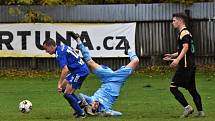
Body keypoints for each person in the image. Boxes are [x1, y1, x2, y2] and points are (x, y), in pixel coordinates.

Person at [69, 31, 139, 116]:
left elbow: (80, 95)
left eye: (91, 105)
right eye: (94, 107)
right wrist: (104, 113)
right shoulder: (104, 109)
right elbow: (119, 114)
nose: (94, 105)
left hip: (106, 77)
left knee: (90, 62)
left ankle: (78, 40)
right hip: (118, 79)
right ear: (96, 110)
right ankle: (129, 50)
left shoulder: (92, 99)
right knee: (136, 61)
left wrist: (85, 104)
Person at [163, 13, 205, 118]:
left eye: (174, 20)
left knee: (172, 87)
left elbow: (186, 48)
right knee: (192, 89)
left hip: (185, 66)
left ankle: (188, 108)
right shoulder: (186, 33)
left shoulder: (184, 33)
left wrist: (177, 60)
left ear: (180, 21)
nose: (172, 22)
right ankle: (200, 112)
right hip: (190, 65)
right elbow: (184, 49)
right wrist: (172, 55)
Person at [43, 38, 90, 118]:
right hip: (76, 70)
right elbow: (75, 50)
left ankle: (81, 114)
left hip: (80, 71)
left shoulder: (59, 53)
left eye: (46, 48)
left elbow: (65, 70)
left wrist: (59, 83)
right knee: (63, 88)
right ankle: (79, 103)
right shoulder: (62, 46)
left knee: (67, 94)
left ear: (51, 46)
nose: (46, 51)